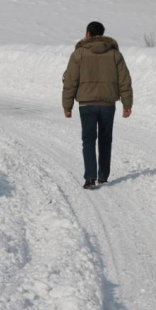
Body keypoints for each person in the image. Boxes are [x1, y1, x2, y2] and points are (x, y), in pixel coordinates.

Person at [62, 21, 133, 189]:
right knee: (105, 139)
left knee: (88, 140)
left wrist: (67, 105)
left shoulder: (78, 54)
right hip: (108, 104)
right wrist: (127, 103)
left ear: (88, 34)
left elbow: (70, 81)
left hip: (86, 104)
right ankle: (103, 176)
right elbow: (125, 80)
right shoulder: (115, 54)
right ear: (103, 34)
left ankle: (90, 177)